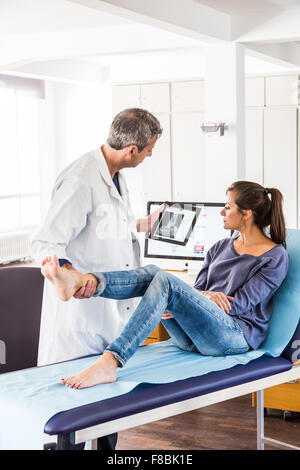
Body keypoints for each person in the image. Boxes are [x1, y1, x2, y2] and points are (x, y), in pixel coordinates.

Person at [40, 181, 289, 391]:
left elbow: (240, 305)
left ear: (246, 214)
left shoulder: (274, 256)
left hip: (232, 337)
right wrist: (197, 299)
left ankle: (112, 360)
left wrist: (196, 299)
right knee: (154, 274)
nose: (222, 213)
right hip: (194, 337)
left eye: (227, 207)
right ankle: (86, 281)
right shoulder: (220, 247)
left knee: (164, 281)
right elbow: (200, 289)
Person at [31, 108, 163, 450]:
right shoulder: (81, 178)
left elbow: (102, 227)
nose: (151, 154)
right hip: (81, 322)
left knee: (108, 417)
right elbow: (46, 241)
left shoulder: (116, 175)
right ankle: (65, 278)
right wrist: (65, 270)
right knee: (71, 419)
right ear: (132, 149)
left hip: (109, 313)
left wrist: (141, 224)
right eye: (150, 148)